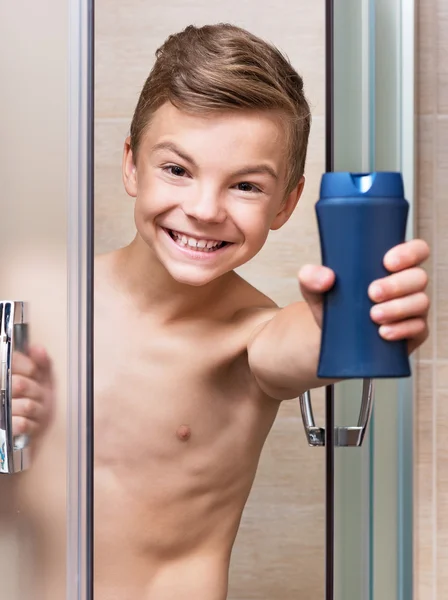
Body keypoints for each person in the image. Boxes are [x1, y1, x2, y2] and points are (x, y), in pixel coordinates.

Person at [14, 23, 430, 600]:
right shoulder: (28, 296)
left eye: (246, 186)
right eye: (178, 170)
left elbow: (307, 343)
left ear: (286, 202)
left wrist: (368, 318)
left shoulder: (248, 338)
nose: (204, 209)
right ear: (131, 165)